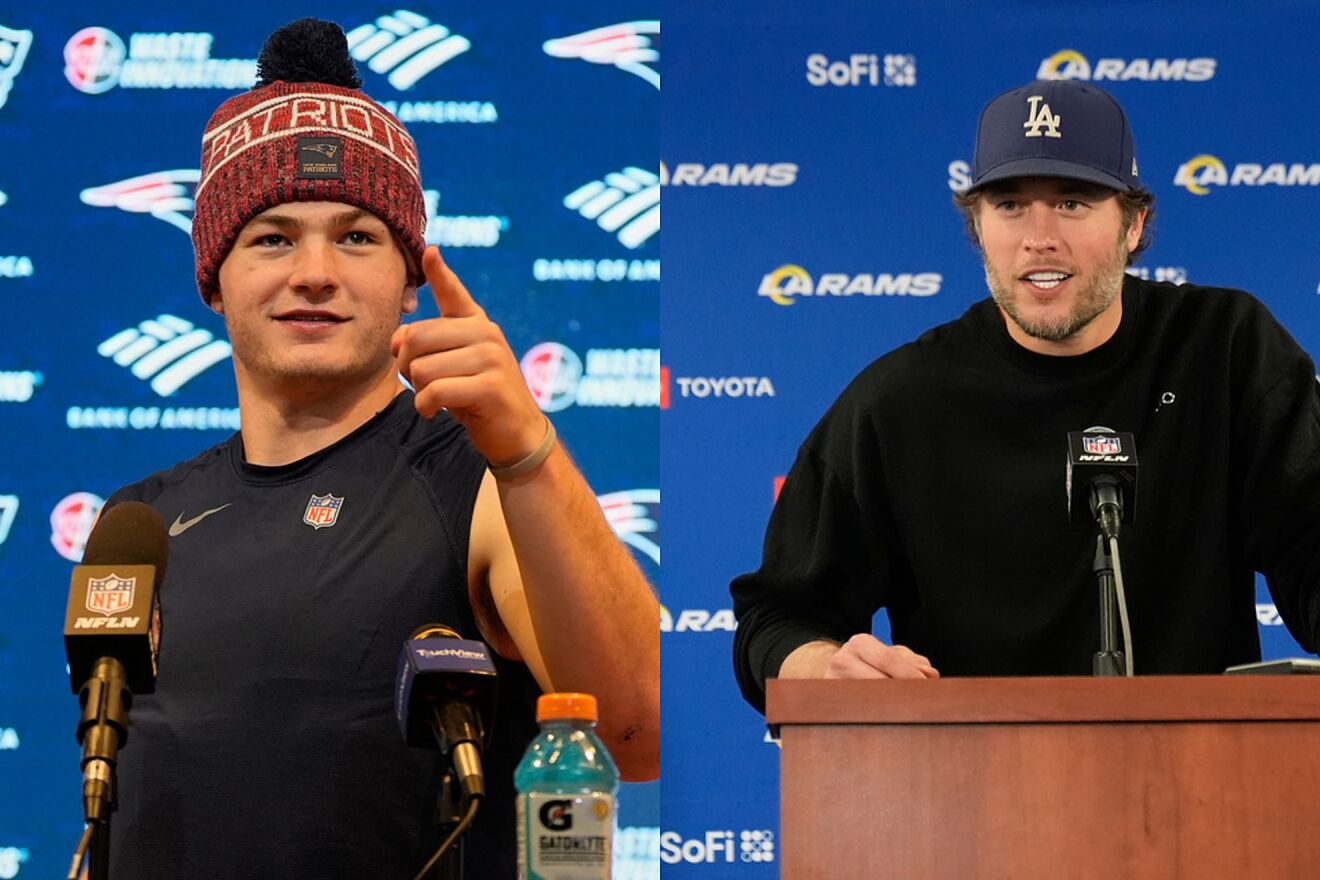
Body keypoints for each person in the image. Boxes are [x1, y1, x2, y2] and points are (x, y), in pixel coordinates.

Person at [99, 18, 659, 878]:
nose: (314, 271)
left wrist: (529, 456)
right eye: (272, 237)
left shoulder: (481, 482)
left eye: (357, 236)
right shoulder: (138, 522)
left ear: (409, 280)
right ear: (215, 278)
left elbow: (634, 732)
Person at [731, 78, 1320, 712]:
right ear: (978, 228)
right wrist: (824, 668)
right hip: (968, 790)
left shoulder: (1223, 350)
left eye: (1072, 202)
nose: (1040, 236)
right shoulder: (902, 400)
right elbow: (775, 619)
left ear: (1133, 224)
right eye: (1010, 205)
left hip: (1198, 785)